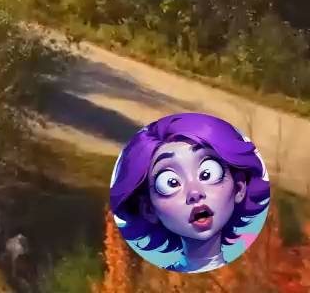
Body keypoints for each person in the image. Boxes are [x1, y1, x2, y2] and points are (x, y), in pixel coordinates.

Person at [109, 112, 272, 273]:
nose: (194, 193)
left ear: (239, 187)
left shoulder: (256, 274)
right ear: (149, 209)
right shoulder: (152, 281)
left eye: (207, 174)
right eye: (170, 183)